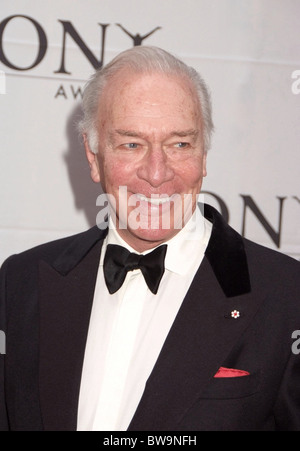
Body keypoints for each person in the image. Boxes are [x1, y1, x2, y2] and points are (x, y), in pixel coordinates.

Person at [0, 46, 300, 432]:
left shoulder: (287, 295)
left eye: (179, 144)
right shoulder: (21, 283)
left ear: (204, 154)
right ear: (93, 158)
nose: (157, 174)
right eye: (131, 144)